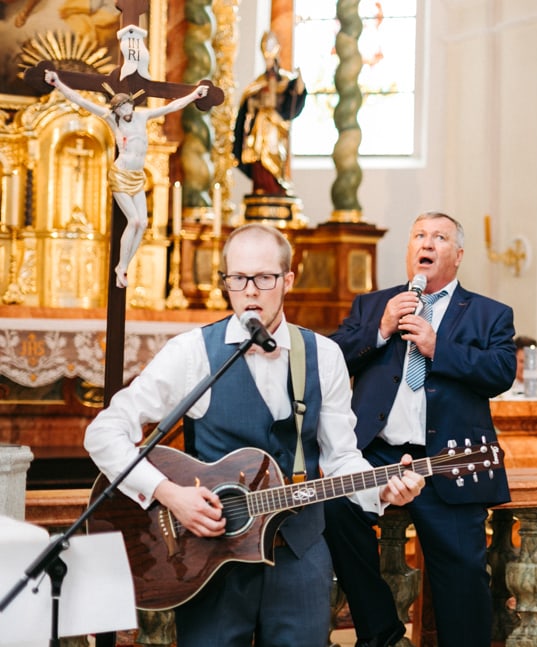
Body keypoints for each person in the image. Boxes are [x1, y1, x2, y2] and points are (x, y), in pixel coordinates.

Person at [83, 223, 425, 647]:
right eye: (238, 279)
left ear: (288, 280)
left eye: (264, 278)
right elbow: (104, 433)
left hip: (300, 551)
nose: (250, 291)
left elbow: (340, 459)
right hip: (210, 553)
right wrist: (168, 494)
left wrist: (384, 490)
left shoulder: (323, 354)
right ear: (225, 281)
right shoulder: (192, 352)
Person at [325, 211, 516, 647]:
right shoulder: (373, 305)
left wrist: (437, 347)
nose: (426, 244)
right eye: (419, 236)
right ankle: (382, 632)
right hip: (373, 453)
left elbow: (501, 370)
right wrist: (380, 329)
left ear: (458, 254)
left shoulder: (490, 314)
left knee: (461, 569)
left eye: (439, 237)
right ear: (409, 250)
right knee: (334, 511)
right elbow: (331, 359)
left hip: (450, 460)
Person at [45, 70, 209, 289]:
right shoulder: (112, 120)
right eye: (119, 108)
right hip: (121, 175)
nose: (124, 111)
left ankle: (125, 266)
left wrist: (194, 96)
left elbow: (170, 107)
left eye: (126, 106)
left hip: (137, 176)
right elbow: (81, 100)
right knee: (133, 220)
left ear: (131, 104)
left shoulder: (142, 116)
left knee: (143, 223)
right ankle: (121, 266)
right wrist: (58, 84)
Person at [233, 31, 307, 197]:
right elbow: (248, 103)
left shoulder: (286, 80)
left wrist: (300, 80)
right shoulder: (257, 83)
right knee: (259, 157)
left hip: (275, 126)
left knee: (275, 156)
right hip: (260, 127)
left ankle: (276, 185)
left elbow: (297, 93)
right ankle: (262, 188)